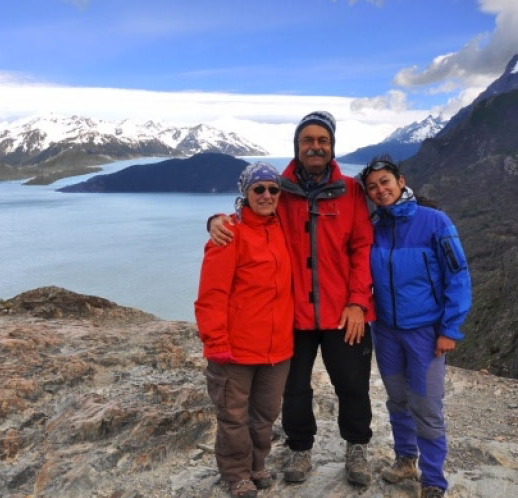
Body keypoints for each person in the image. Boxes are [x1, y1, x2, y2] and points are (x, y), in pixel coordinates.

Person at [209, 111, 375, 486]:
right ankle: (300, 447)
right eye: (308, 140)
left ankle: (357, 446)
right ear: (297, 146)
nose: (315, 146)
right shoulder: (280, 191)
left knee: (352, 383)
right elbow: (248, 211)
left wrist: (358, 302)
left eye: (323, 141)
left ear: (332, 147)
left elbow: (362, 249)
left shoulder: (351, 191)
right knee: (293, 387)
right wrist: (216, 218)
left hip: (343, 312)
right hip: (292, 315)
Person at [360, 156, 471, 498]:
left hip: (425, 331)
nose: (380, 190)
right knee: (396, 399)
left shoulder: (435, 222)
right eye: (373, 187)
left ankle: (434, 479)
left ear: (401, 181)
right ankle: (406, 459)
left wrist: (450, 329)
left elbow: (459, 275)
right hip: (386, 330)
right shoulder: (374, 226)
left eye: (385, 183)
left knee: (425, 404)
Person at [195, 162, 294, 498]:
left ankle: (256, 464)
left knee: (264, 413)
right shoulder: (229, 234)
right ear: (246, 193)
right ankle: (237, 473)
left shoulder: (283, 228)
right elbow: (211, 295)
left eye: (273, 189)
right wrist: (216, 341)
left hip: (277, 348)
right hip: (235, 348)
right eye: (259, 189)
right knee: (233, 415)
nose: (267, 195)